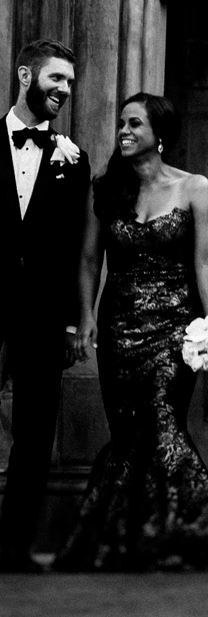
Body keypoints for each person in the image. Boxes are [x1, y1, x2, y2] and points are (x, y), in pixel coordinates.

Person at [56, 93, 208, 571]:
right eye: (121, 123)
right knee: (128, 431)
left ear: (159, 134)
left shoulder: (195, 187)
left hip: (174, 329)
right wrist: (86, 316)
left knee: (161, 419)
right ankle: (133, 539)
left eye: (134, 123)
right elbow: (88, 260)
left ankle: (188, 531)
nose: (124, 131)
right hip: (119, 328)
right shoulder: (106, 188)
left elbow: (207, 260)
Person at [0, 38, 89, 571]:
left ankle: (13, 548)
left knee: (35, 432)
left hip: (42, 312)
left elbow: (77, 243)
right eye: (57, 79)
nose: (66, 91)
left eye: (72, 83)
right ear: (25, 75)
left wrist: (77, 321)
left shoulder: (70, 159)